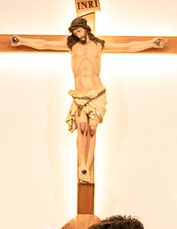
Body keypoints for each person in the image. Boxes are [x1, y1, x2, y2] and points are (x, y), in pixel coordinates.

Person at [11, 18, 165, 184]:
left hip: (97, 93)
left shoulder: (99, 45)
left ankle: (87, 166)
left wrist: (152, 43)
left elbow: (128, 47)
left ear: (86, 28)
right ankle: (82, 165)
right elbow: (44, 44)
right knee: (82, 128)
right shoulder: (72, 46)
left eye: (79, 31)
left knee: (92, 129)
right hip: (79, 95)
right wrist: (21, 41)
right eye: (74, 32)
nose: (77, 34)